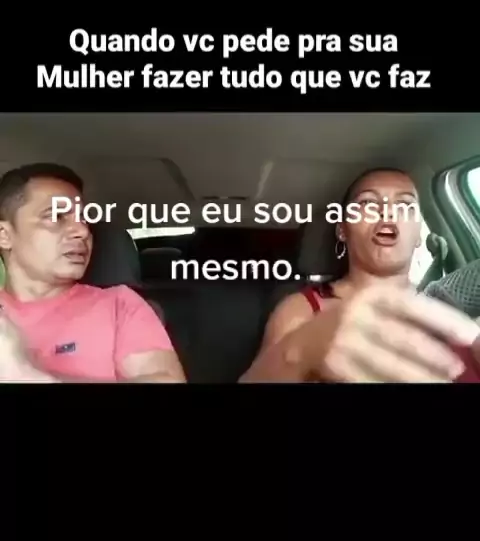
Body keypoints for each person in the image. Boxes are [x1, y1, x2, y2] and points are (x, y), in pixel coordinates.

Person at [241, 168, 480, 382]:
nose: (387, 212)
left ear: (418, 233)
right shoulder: (301, 310)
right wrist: (306, 346)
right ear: (342, 230)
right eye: (367, 203)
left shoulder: (451, 305)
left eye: (405, 205)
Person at [0, 163, 185, 382]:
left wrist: (30, 376)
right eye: (56, 217)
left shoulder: (119, 305)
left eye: (83, 219)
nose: (82, 231)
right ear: (4, 235)